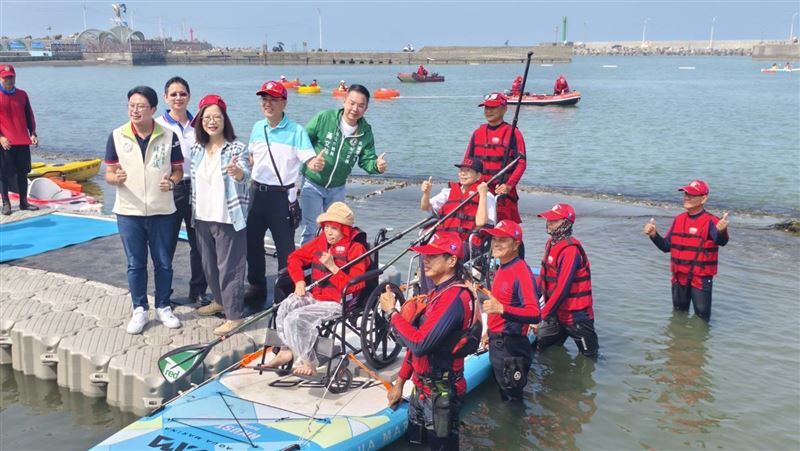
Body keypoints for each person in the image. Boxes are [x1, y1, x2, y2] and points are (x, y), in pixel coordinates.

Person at [379, 232, 476, 450]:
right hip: (421, 390)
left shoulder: (453, 299)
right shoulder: (437, 293)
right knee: (415, 443)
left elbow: (420, 343)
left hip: (442, 395)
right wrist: (401, 382)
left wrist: (392, 313)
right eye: (425, 255)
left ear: (452, 261)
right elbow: (419, 348)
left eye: (433, 256)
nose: (426, 260)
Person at [104, 86, 184, 334]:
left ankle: (163, 306)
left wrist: (171, 182)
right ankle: (139, 308)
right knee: (135, 263)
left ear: (153, 109)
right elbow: (108, 172)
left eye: (140, 106)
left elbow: (178, 171)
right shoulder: (117, 135)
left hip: (162, 210)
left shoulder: (169, 135)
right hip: (129, 211)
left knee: (163, 262)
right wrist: (114, 178)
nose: (135, 110)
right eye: (131, 106)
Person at [263, 202, 368, 376]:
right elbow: (294, 258)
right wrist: (299, 281)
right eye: (326, 227)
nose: (328, 232)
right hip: (317, 295)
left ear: (345, 230)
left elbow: (355, 285)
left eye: (334, 228)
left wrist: (333, 268)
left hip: (339, 301)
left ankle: (309, 362)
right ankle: (285, 350)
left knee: (296, 319)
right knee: (286, 306)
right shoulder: (321, 242)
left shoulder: (357, 249)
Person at [244, 81, 318, 312]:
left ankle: (285, 295)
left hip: (281, 197)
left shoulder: (296, 131)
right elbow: (251, 157)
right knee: (252, 244)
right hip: (256, 192)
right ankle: (256, 289)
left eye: (273, 99)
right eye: (264, 99)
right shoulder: (258, 127)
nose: (268, 103)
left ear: (284, 102)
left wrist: (317, 163)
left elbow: (309, 159)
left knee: (285, 249)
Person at [189, 95, 251, 335]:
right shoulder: (197, 149)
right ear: (200, 121)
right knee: (209, 265)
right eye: (207, 118)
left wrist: (237, 172)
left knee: (230, 268)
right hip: (203, 215)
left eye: (217, 117)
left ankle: (234, 315)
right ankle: (219, 300)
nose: (212, 122)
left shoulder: (237, 147)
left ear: (225, 119)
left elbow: (245, 174)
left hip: (228, 217)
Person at [298, 84, 387, 243]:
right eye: (352, 103)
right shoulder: (325, 118)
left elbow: (367, 159)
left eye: (361, 105)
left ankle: (329, 264)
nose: (355, 109)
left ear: (366, 108)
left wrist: (376, 165)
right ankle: (307, 267)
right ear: (344, 101)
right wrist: (311, 159)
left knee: (336, 230)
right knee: (311, 228)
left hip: (337, 188)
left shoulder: (365, 131)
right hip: (312, 182)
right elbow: (302, 140)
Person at [155, 76, 209, 305]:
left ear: (189, 97)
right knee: (166, 244)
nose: (178, 98)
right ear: (166, 97)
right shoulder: (158, 125)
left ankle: (197, 290)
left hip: (198, 189)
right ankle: (164, 294)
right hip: (170, 189)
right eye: (173, 94)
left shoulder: (200, 124)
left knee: (200, 244)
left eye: (183, 94)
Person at [643, 180, 730, 322]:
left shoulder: (711, 221)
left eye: (692, 195)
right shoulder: (679, 219)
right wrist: (653, 235)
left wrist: (722, 230)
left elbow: (722, 241)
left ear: (703, 198)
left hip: (700, 278)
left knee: (701, 319)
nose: (687, 197)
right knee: (678, 315)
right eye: (686, 194)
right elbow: (666, 247)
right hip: (679, 277)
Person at [479, 220, 541, 401]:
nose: (496, 243)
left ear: (516, 244)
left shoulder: (520, 270)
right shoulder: (503, 266)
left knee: (513, 400)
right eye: (494, 239)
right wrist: (489, 333)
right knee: (504, 393)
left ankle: (516, 428)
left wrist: (502, 309)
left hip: (512, 347)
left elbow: (535, 314)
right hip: (498, 342)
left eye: (503, 240)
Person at [535, 203, 599, 358]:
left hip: (577, 318)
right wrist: (531, 302)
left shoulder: (571, 251)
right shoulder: (550, 244)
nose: (549, 223)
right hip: (557, 315)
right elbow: (542, 278)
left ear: (566, 223)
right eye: (549, 219)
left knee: (589, 358)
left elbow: (562, 289)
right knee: (540, 347)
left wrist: (541, 315)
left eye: (554, 220)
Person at [463, 92, 527, 224]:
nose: (488, 111)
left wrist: (508, 186)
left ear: (504, 109)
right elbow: (467, 163)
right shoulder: (477, 133)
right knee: (476, 228)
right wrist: (465, 185)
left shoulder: (513, 133)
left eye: (493, 108)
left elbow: (521, 163)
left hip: (503, 193)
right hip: (480, 190)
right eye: (486, 108)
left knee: (507, 233)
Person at [420, 157, 495, 243]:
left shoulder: (487, 195)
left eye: (468, 170)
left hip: (465, 241)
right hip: (443, 238)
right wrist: (426, 193)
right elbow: (425, 207)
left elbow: (480, 223)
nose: (463, 173)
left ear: (478, 175)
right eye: (461, 170)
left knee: (440, 255)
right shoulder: (448, 192)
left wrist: (482, 195)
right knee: (427, 251)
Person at [0, 64, 38, 215]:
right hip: (5, 143)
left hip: (22, 141)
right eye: (5, 78)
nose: (9, 81)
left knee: (23, 173)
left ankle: (24, 202)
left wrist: (33, 133)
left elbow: (29, 115)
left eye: (11, 77)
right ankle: (6, 203)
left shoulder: (22, 94)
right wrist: (0, 137)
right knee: (4, 174)